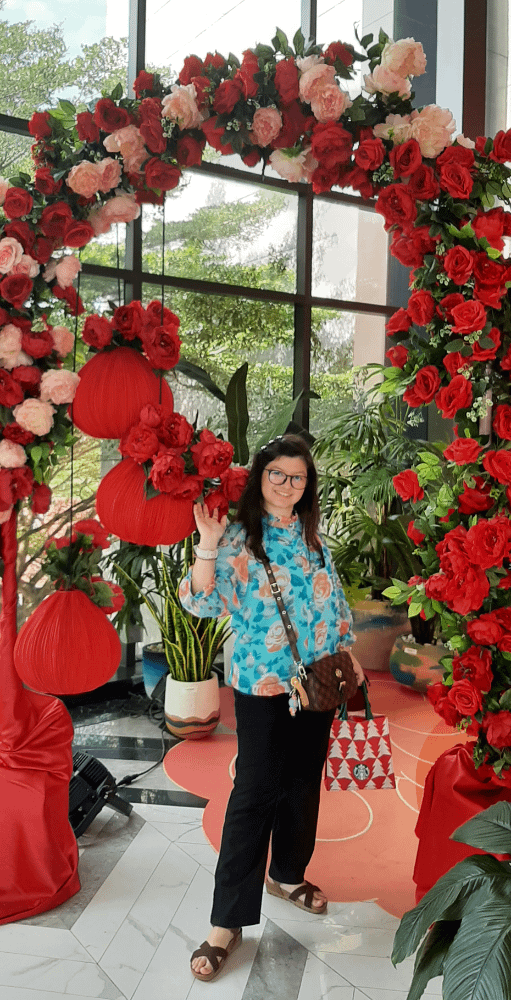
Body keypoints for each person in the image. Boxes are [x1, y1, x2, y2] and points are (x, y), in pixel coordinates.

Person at [179, 433, 363, 982]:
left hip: (320, 680)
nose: (288, 485)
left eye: (298, 477)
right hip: (263, 686)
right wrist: (208, 546)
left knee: (305, 780)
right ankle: (225, 923)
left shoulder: (313, 537)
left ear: (308, 487)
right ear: (260, 478)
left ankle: (286, 874)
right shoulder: (239, 537)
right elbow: (199, 603)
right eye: (278, 475)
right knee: (254, 793)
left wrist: (348, 651)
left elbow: (333, 599)